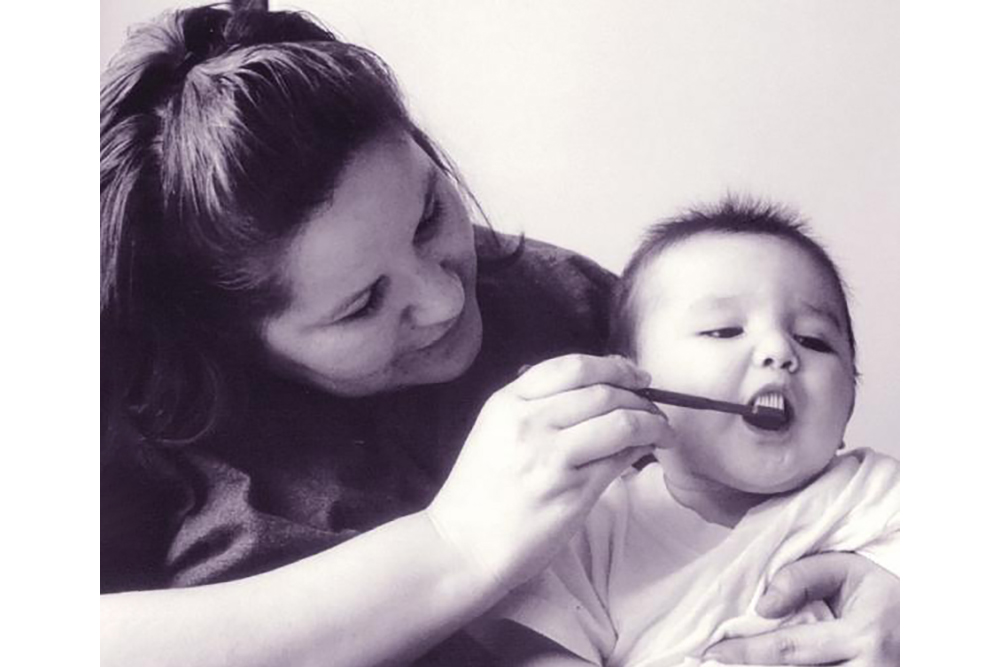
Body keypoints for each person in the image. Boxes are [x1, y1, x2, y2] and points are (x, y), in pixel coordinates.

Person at [100, 5, 900, 666]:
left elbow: (777, 476)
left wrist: (902, 598)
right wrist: (452, 546)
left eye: (429, 216)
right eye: (362, 305)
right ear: (236, 342)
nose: (445, 298)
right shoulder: (126, 409)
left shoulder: (559, 303)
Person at [474, 198, 900, 666]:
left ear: (849, 403)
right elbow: (537, 650)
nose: (779, 350)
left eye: (815, 340)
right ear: (630, 382)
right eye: (723, 331)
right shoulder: (591, 528)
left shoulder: (874, 494)